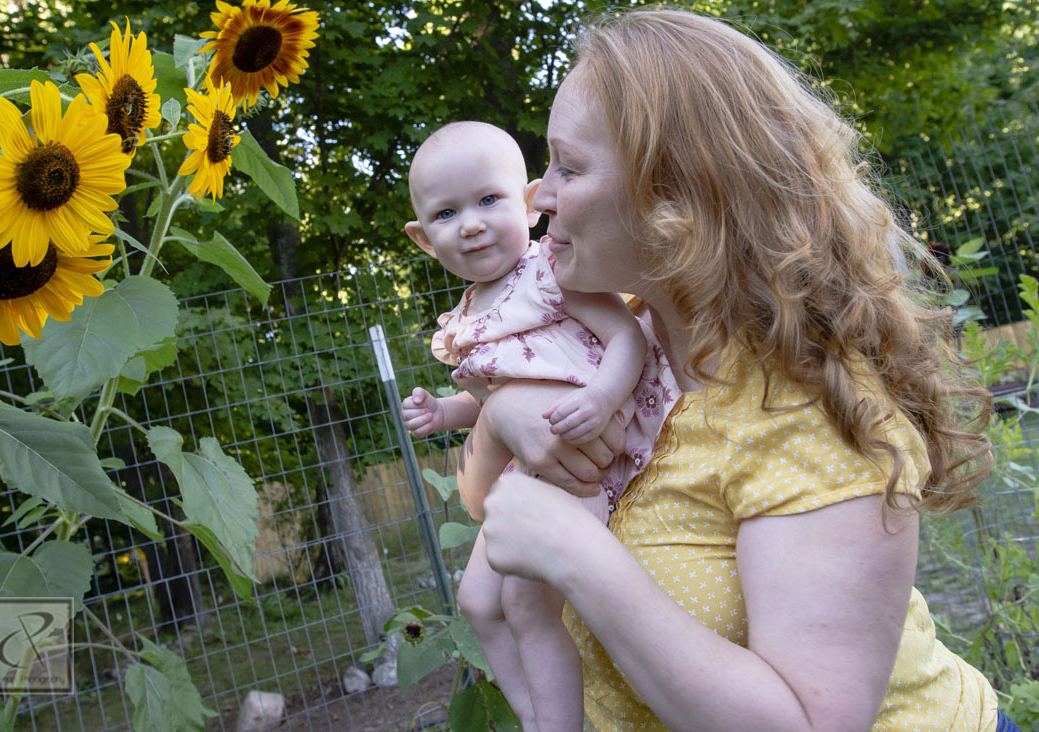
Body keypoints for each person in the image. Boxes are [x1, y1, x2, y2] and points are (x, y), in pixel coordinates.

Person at [459, 8, 1020, 732]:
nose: (539, 197)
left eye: (569, 166)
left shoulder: (810, 406)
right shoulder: (624, 337)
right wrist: (502, 418)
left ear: (677, 193)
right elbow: (491, 510)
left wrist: (579, 559)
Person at [400, 120, 679, 732]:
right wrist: (443, 412)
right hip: (525, 474)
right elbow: (496, 400)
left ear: (529, 205)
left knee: (526, 603)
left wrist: (603, 397)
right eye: (446, 213)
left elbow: (626, 338)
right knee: (476, 602)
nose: (470, 224)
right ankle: (536, 718)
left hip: (583, 462)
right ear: (424, 239)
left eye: (488, 200)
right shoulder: (465, 321)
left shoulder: (550, 271)